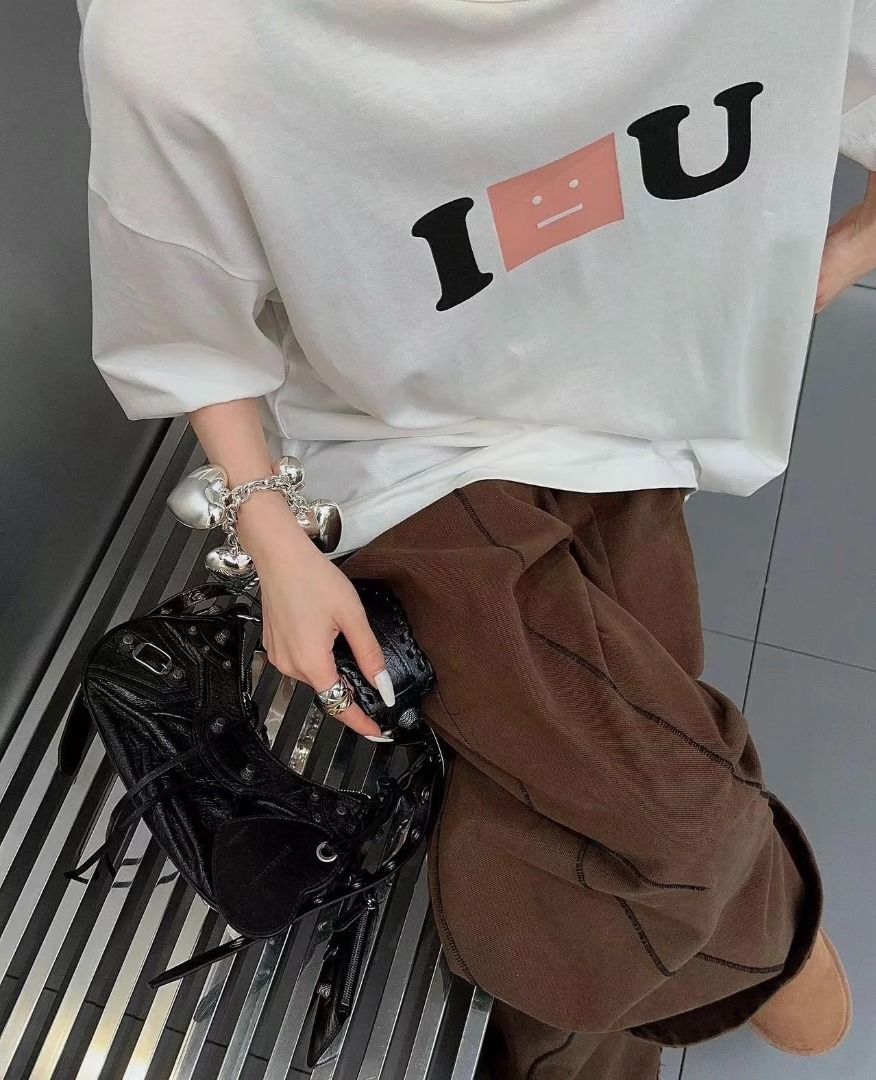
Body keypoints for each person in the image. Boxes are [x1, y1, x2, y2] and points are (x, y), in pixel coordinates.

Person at [74, 0, 874, 1075]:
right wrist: (275, 539)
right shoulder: (184, 29)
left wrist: (819, 269)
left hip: (633, 420)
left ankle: (600, 1027)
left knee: (584, 801)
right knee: (677, 814)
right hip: (392, 450)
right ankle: (769, 936)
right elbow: (185, 323)